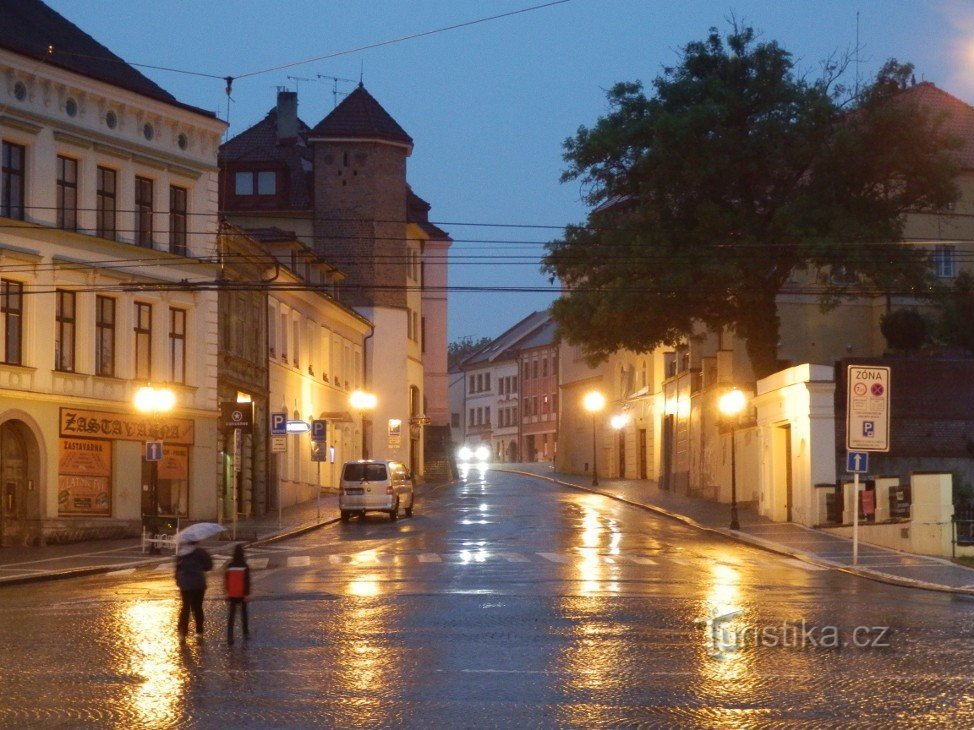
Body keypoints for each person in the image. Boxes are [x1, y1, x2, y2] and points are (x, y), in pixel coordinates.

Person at [175, 540, 213, 642]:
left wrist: (178, 581)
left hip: (185, 584)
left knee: (185, 608)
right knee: (198, 608)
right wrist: (200, 567)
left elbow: (177, 569)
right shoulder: (201, 552)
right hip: (198, 584)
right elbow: (209, 566)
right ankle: (199, 632)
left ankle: (182, 633)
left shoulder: (181, 553)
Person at [225, 543, 251, 645]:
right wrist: (247, 594)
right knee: (244, 614)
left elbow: (227, 580)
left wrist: (227, 592)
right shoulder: (245, 566)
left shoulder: (229, 566)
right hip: (242, 593)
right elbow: (247, 581)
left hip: (232, 593)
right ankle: (245, 633)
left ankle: (230, 636)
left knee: (231, 615)